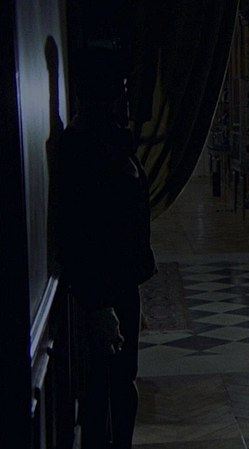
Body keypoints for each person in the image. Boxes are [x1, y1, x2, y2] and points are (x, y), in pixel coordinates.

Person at [56, 47, 156, 449]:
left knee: (121, 387)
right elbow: (79, 233)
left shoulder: (111, 141)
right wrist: (100, 305)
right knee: (104, 395)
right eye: (121, 90)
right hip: (103, 291)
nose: (126, 99)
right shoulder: (81, 146)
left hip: (120, 284)